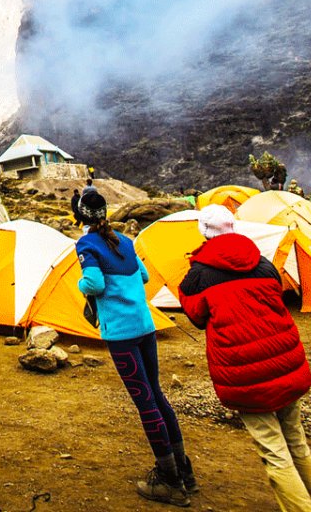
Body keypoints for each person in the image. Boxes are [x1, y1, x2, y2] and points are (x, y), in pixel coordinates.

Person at [179, 205, 311, 512]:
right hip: (286, 363)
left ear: (204, 233)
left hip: (246, 375)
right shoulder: (262, 263)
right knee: (297, 442)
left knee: (274, 452)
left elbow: (196, 315)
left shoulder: (199, 274)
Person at [76, 189, 195, 507]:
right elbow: (142, 275)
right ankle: (183, 470)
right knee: (156, 393)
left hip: (122, 334)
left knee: (145, 402)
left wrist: (81, 286)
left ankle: (169, 482)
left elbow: (94, 284)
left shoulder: (87, 244)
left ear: (82, 217)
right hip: (145, 327)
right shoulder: (125, 242)